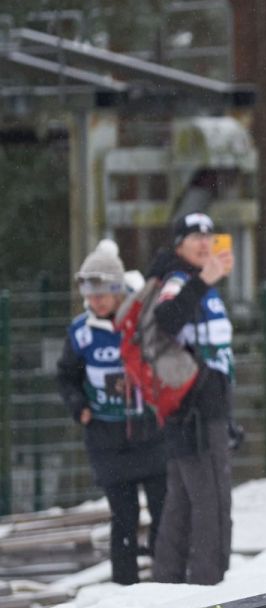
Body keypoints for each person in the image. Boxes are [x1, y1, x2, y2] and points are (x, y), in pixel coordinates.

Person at [56, 239, 167, 585]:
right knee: (123, 518)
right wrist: (79, 407)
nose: (95, 302)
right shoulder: (82, 332)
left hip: (150, 431)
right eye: (89, 296)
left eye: (102, 294)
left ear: (118, 289)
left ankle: (168, 581)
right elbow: (66, 375)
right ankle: (125, 589)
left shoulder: (143, 320)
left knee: (165, 511)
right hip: (106, 437)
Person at [148, 211, 237, 585]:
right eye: (194, 236)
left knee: (183, 501)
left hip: (204, 407)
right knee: (212, 502)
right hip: (194, 410)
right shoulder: (180, 281)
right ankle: (210, 585)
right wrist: (202, 281)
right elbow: (165, 319)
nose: (204, 243)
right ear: (178, 245)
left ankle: (167, 582)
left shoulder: (201, 284)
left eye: (209, 236)